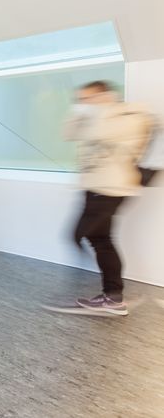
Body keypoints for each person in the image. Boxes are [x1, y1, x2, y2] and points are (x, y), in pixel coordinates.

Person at [64, 80, 153, 315]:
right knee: (100, 240)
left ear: (107, 96)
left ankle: (112, 295)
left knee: (78, 234)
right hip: (94, 187)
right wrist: (78, 111)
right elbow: (68, 134)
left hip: (111, 188)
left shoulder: (129, 116)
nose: (83, 104)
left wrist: (99, 110)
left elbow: (99, 133)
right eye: (80, 100)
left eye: (87, 98)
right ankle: (113, 297)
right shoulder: (94, 115)